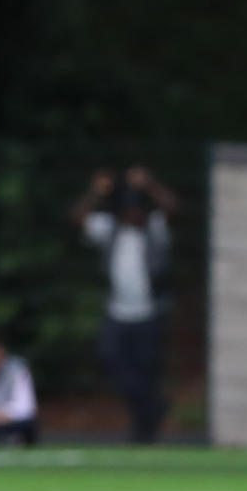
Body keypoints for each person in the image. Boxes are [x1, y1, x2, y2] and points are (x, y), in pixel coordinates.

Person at [71, 166, 175, 442]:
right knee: (113, 362)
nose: (133, 215)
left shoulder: (154, 230)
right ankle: (152, 411)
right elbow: (79, 216)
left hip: (148, 314)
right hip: (117, 313)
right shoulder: (111, 230)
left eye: (138, 210)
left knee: (146, 371)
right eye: (129, 210)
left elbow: (172, 208)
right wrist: (96, 192)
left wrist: (149, 184)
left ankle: (145, 427)